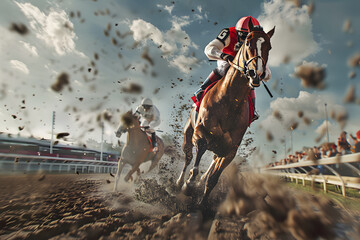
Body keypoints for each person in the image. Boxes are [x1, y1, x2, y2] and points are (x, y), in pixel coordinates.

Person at [193, 16, 272, 121]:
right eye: (242, 36)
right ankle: (202, 89)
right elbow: (209, 49)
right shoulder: (228, 33)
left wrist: (262, 73)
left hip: (246, 65)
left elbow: (266, 73)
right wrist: (223, 56)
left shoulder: (257, 40)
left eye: (247, 36)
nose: (244, 40)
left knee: (251, 75)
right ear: (237, 31)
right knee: (224, 67)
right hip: (227, 59)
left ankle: (252, 109)